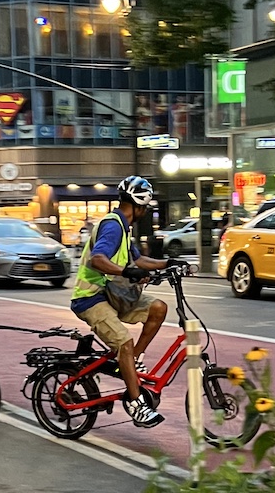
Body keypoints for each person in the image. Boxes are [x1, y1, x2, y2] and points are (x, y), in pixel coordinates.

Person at [70, 176, 185, 428]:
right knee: (123, 342)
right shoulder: (113, 226)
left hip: (113, 294)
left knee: (158, 308)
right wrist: (126, 272)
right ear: (140, 206)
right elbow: (97, 260)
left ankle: (132, 359)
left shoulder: (123, 226)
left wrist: (169, 263)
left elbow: (138, 260)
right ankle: (135, 403)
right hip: (91, 298)